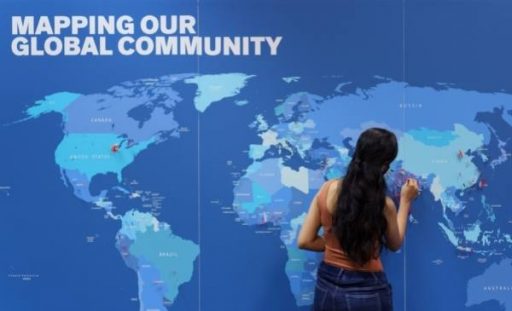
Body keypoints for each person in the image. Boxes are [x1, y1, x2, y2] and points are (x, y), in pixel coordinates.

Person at [297, 128, 419, 311]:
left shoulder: (327, 190)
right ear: (384, 166)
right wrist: (406, 200)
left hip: (328, 288)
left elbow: (305, 240)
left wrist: (336, 244)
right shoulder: (383, 205)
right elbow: (395, 243)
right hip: (368, 291)